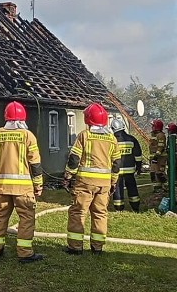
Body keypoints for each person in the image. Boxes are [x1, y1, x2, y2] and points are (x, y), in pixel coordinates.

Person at [0, 101, 44, 263]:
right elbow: (35, 165)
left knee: (0, 217)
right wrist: (38, 186)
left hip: (2, 187)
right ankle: (24, 253)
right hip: (23, 189)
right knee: (26, 219)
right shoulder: (28, 136)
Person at [63, 103, 120, 255]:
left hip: (85, 183)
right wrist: (113, 181)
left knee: (78, 212)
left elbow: (74, 159)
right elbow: (116, 163)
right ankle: (97, 247)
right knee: (100, 213)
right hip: (104, 184)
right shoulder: (111, 138)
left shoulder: (84, 135)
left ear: (88, 119)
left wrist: (68, 176)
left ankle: (75, 247)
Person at [110, 118, 143, 212]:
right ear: (123, 126)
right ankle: (135, 207)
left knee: (117, 189)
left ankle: (119, 208)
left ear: (113, 128)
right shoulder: (132, 139)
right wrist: (139, 168)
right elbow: (138, 156)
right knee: (132, 187)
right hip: (130, 170)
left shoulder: (111, 141)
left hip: (116, 171)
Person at [149, 119, 168, 192]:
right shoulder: (154, 135)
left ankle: (167, 187)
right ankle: (157, 189)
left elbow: (161, 147)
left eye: (153, 126)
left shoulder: (161, 135)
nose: (152, 127)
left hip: (160, 158)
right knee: (153, 173)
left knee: (160, 173)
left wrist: (156, 157)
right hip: (154, 158)